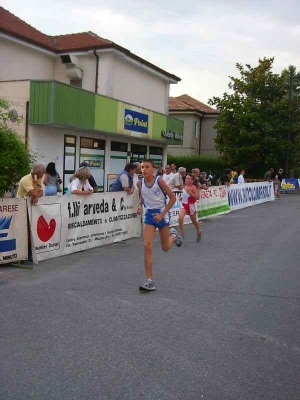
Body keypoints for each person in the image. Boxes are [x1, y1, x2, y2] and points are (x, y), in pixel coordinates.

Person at [136, 159, 182, 292]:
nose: (143, 169)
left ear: (153, 169)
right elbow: (142, 196)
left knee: (165, 247)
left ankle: (173, 234)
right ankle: (149, 280)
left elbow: (173, 198)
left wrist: (162, 215)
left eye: (147, 167)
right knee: (147, 245)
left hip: (162, 213)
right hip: (149, 215)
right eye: (142, 167)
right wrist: (139, 204)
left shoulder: (159, 181)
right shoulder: (140, 183)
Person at [179, 174, 201, 242]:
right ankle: (182, 233)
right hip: (184, 205)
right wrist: (182, 197)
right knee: (180, 218)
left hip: (191, 206)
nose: (186, 180)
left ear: (192, 181)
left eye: (188, 179)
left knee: (194, 221)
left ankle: (198, 231)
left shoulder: (193, 187)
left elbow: (197, 197)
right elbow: (185, 195)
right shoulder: (184, 186)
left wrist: (190, 192)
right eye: (186, 178)